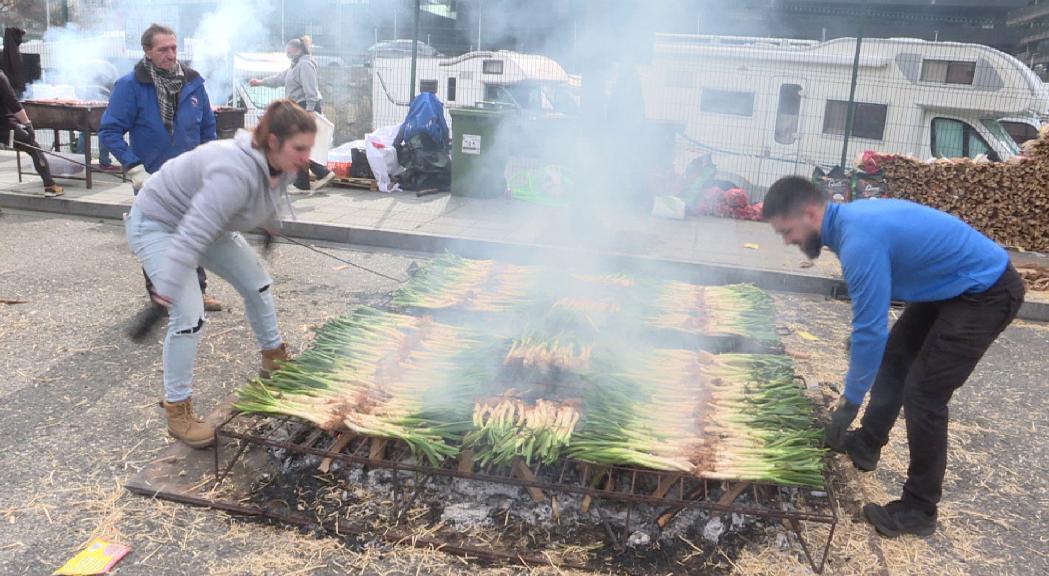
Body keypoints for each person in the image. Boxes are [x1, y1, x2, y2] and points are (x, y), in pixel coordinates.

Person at [762, 176, 1024, 538]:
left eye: (788, 231)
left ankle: (919, 510)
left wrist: (849, 403)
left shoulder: (858, 240)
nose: (788, 241)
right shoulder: (847, 224)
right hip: (951, 286)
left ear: (810, 213)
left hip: (986, 290)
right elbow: (873, 326)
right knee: (897, 356)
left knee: (925, 394)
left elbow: (871, 330)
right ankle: (867, 444)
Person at [125, 99, 314, 448]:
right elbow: (193, 232)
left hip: (208, 225)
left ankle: (274, 361)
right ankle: (177, 410)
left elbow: (271, 197)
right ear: (272, 141)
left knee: (258, 284)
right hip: (159, 223)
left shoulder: (284, 164)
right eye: (299, 148)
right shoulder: (232, 171)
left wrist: (270, 229)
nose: (306, 157)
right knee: (189, 315)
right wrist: (165, 289)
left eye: (308, 148)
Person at [100, 23, 222, 312]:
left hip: (191, 179)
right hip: (151, 179)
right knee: (156, 238)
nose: (170, 55)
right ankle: (160, 296)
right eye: (163, 49)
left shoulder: (194, 83)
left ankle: (197, 292)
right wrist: (134, 168)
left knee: (194, 236)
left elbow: (208, 129)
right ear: (147, 51)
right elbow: (110, 132)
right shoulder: (130, 86)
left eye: (174, 48)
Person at [249, 36, 334, 193]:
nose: (286, 52)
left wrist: (309, 111)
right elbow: (279, 79)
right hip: (299, 108)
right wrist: (260, 83)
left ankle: (309, 180)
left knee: (295, 142)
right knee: (296, 143)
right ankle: (316, 176)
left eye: (289, 49)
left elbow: (311, 91)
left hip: (304, 108)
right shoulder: (295, 66)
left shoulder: (305, 64)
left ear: (298, 49)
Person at [0, 70, 63, 197]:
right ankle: (50, 186)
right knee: (35, 149)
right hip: (5, 126)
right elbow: (13, 103)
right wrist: (27, 124)